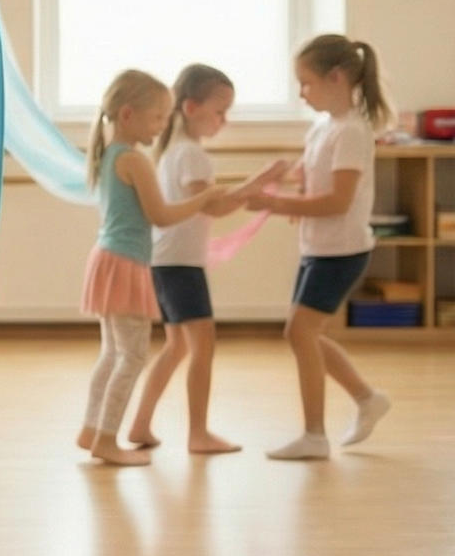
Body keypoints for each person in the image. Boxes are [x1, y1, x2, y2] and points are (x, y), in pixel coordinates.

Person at [78, 69, 275, 468]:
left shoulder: (111, 155)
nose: (163, 126)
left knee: (112, 352)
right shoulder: (134, 160)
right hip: (126, 263)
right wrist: (205, 200)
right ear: (129, 114)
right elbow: (162, 216)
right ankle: (105, 440)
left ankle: (92, 429)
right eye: (157, 118)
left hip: (108, 259)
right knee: (131, 356)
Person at [247, 33, 394, 461]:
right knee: (304, 334)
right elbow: (315, 181)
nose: (301, 93)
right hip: (319, 247)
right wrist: (285, 182)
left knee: (300, 333)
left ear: (336, 77)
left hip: (341, 252)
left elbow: (338, 202)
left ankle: (315, 435)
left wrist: (275, 203)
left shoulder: (352, 132)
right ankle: (368, 399)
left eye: (305, 83)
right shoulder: (324, 129)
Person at [126, 63, 247, 456]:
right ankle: (199, 433)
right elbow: (214, 207)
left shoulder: (173, 151)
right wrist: (260, 187)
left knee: (177, 346)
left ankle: (141, 424)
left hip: (165, 261)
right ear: (191, 107)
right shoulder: (192, 154)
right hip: (180, 265)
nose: (223, 121)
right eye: (220, 111)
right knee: (203, 346)